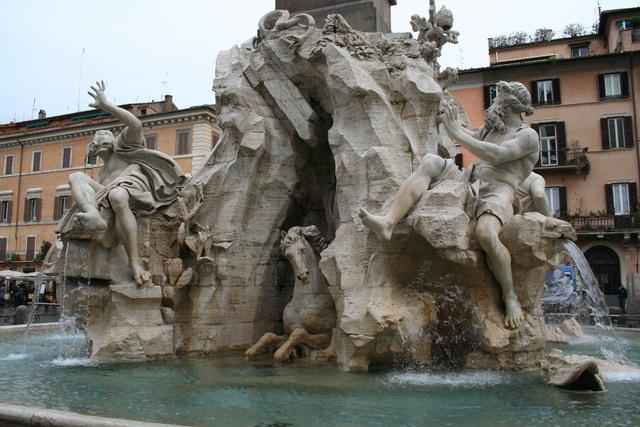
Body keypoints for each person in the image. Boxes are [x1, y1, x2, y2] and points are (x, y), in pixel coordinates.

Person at [359, 81, 539, 329]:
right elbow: (470, 135)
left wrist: (458, 133)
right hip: (470, 179)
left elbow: (496, 155)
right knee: (432, 161)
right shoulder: (493, 129)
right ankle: (388, 221)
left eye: (499, 98)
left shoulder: (527, 136)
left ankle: (510, 297)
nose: (494, 102)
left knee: (486, 233)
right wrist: (448, 116)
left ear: (510, 105)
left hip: (499, 189)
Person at [61, 81, 186, 286]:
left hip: (134, 193)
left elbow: (136, 124)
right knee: (76, 176)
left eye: (104, 134)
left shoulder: (125, 146)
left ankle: (134, 263)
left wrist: (106, 105)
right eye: (96, 137)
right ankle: (92, 213)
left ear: (112, 140)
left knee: (117, 195)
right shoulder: (102, 173)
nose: (99, 137)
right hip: (110, 203)